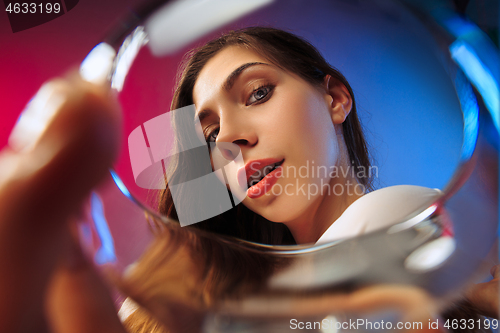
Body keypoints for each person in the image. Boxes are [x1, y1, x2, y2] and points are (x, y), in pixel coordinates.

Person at [0, 27, 496, 333]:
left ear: (335, 99)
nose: (230, 137)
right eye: (209, 132)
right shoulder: (231, 288)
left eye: (257, 93)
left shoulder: (401, 215)